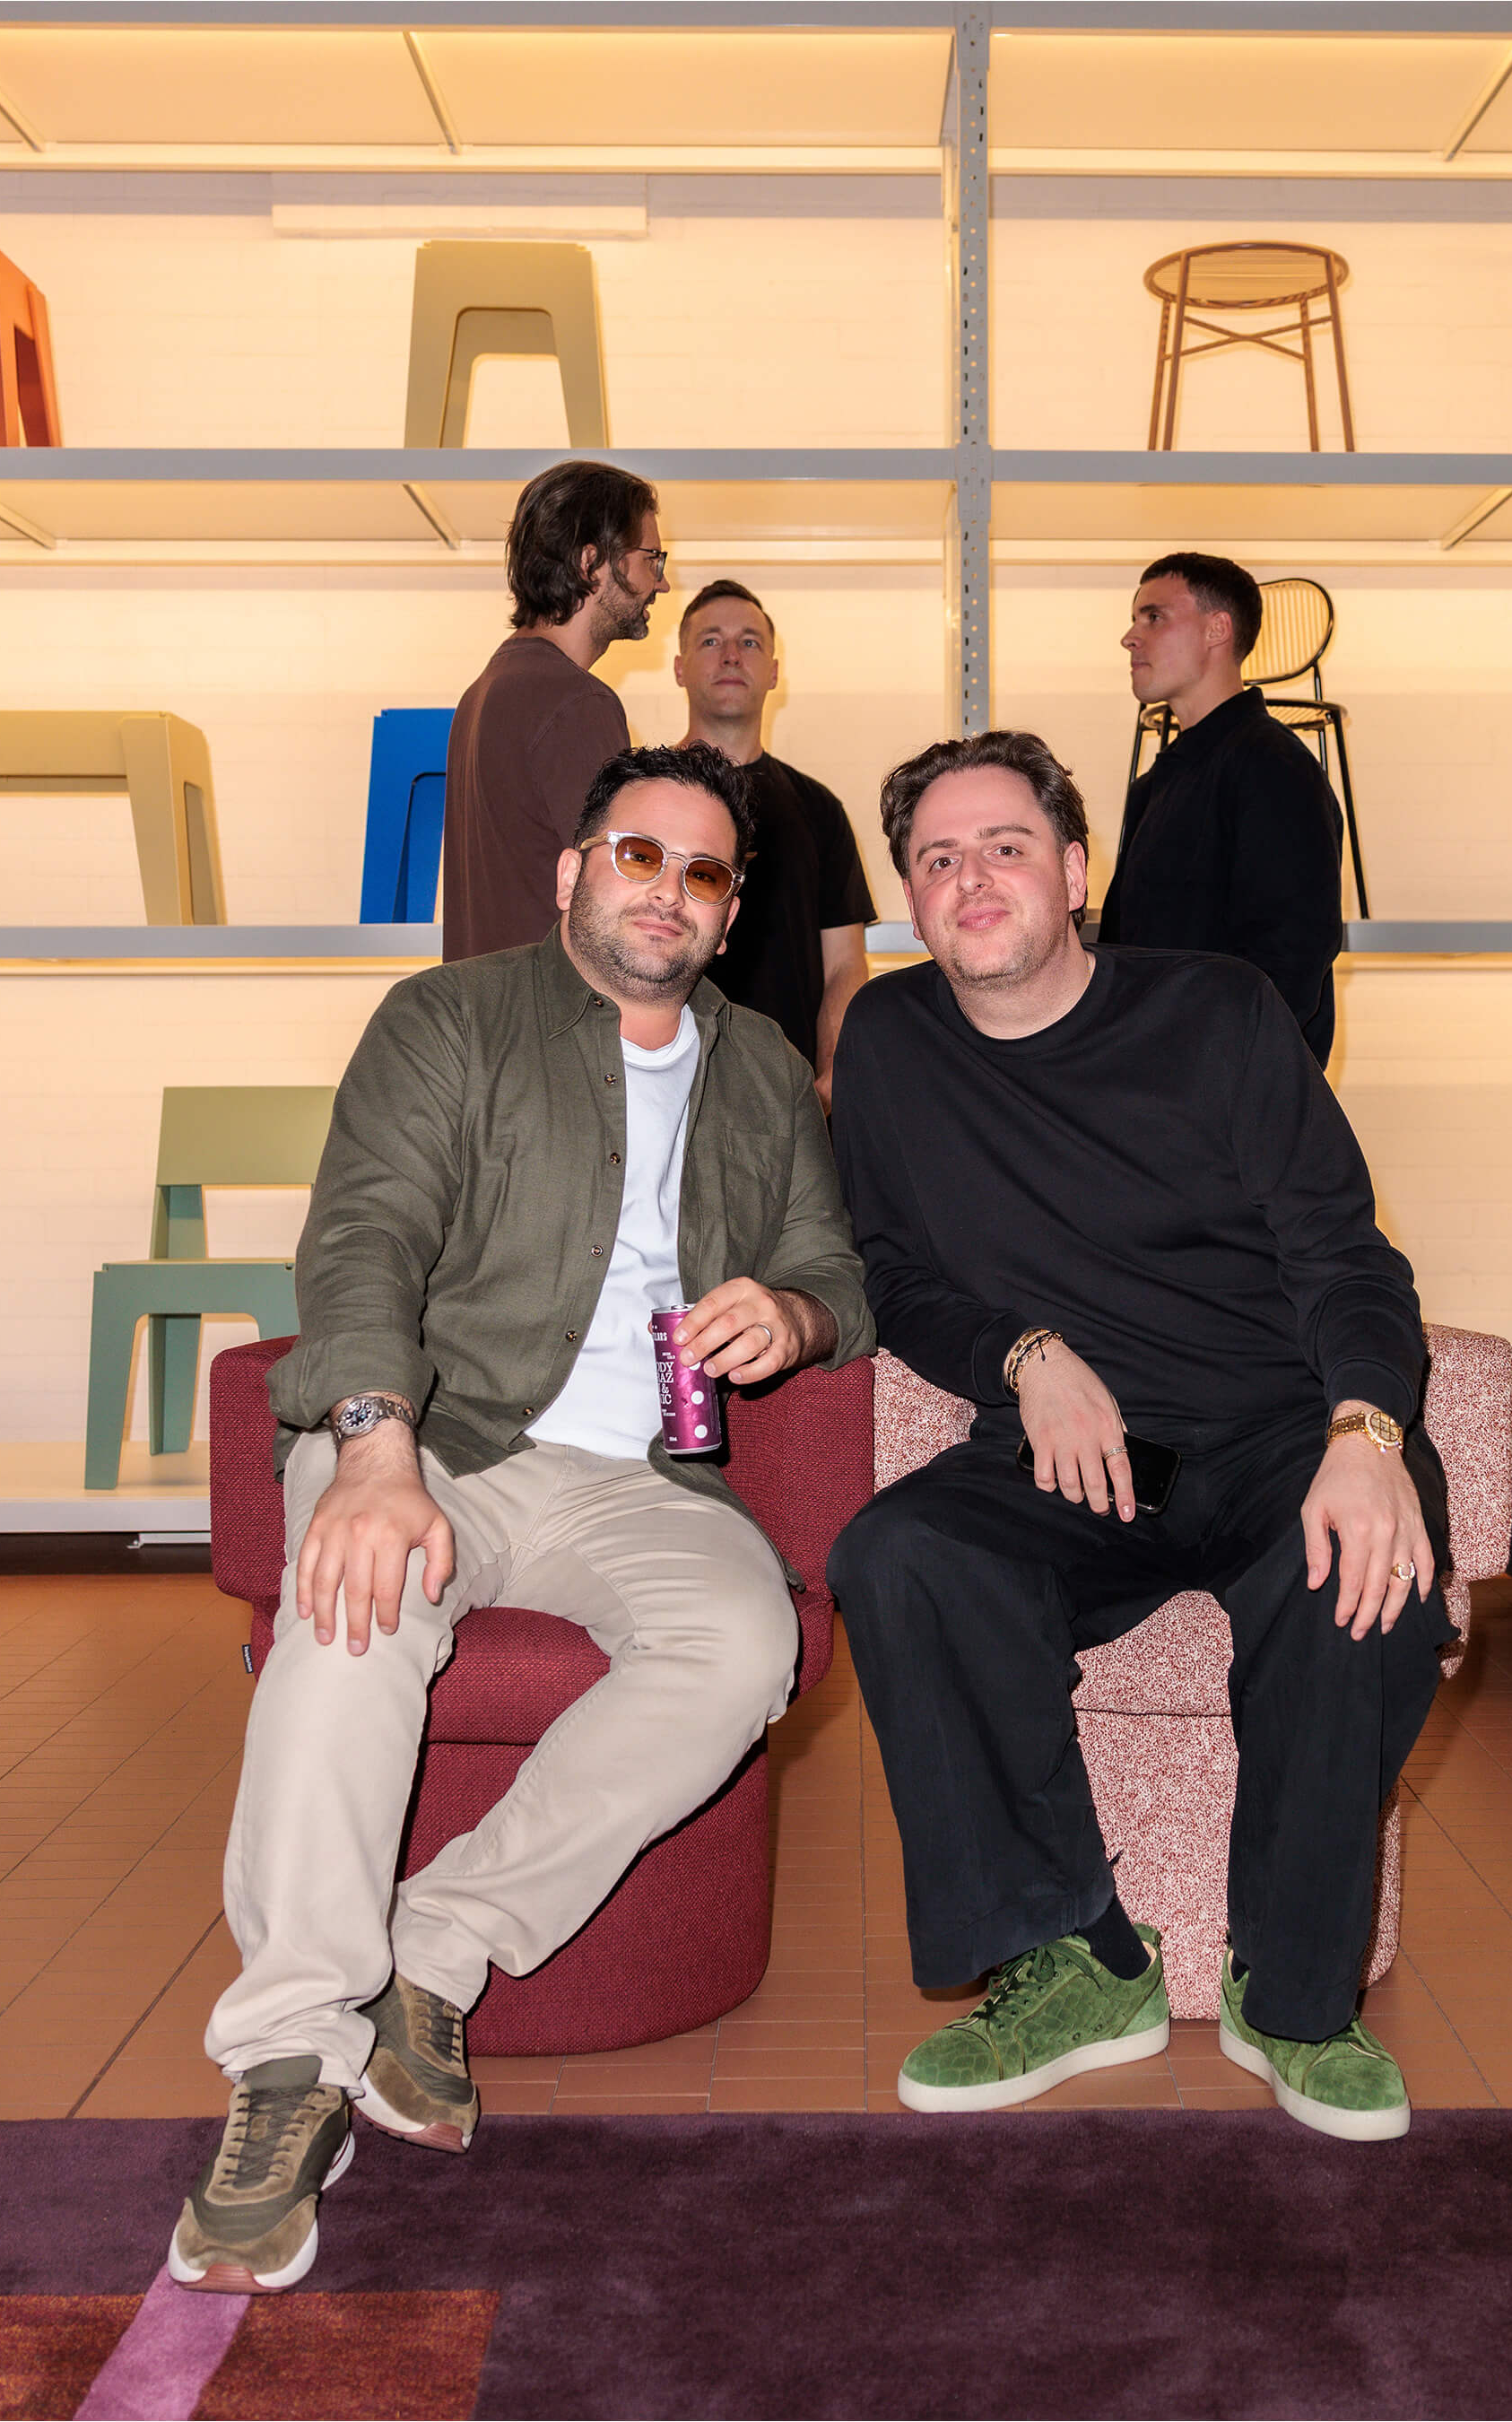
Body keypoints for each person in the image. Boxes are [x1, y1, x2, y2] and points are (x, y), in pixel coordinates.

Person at [169, 741, 873, 2295]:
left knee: (745, 1641)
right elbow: (364, 1235)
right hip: (442, 1438)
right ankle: (288, 2057)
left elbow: (836, 1266)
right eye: (639, 855)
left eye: (703, 872)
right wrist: (370, 1448)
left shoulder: (763, 1069)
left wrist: (797, 1315)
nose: (667, 891)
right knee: (357, 1610)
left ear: (732, 911)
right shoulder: (450, 1019)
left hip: (643, 1482)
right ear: (573, 870)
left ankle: (433, 1948)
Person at [827, 728, 1451, 2142]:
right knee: (901, 1555)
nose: (972, 878)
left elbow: (1345, 1255)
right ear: (911, 901)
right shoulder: (891, 1042)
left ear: (1074, 871)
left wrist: (1367, 1433)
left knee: (1362, 1584)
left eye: (1005, 847)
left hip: (1280, 1434)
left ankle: (1294, 1996)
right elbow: (892, 1276)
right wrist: (1023, 1353)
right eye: (937, 859)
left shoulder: (1218, 1013)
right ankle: (1077, 1961)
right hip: (1090, 1455)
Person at [1101, 551, 1344, 1064]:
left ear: (1217, 629)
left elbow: (1292, 956)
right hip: (1155, 1082)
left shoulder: (1272, 766)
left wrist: (1215, 1074)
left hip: (1228, 1090)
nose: (1130, 637)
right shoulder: (1156, 785)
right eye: (1135, 619)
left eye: (1154, 617)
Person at [440, 459, 670, 961]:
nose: (662, 583)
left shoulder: (485, 692)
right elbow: (627, 891)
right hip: (556, 1008)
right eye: (652, 559)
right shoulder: (576, 703)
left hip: (488, 1004)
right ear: (591, 563)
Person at [674, 579, 875, 1111]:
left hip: (788, 1100)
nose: (731, 655)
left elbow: (844, 966)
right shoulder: (644, 799)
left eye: (750, 642)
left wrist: (829, 1080)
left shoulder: (819, 810)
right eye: (711, 641)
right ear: (679, 668)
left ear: (774, 673)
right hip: (662, 1093)